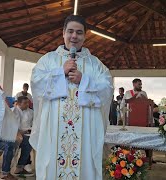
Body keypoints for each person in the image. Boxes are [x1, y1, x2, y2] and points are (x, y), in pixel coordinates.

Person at [29, 14, 113, 179]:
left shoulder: (95, 63)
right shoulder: (48, 60)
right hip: (54, 128)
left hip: (86, 132)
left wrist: (84, 80)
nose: (74, 36)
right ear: (63, 33)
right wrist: (60, 72)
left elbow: (107, 88)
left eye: (79, 32)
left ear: (85, 36)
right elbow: (36, 83)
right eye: (70, 31)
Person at [12, 96, 34, 177]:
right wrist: (23, 132)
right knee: (28, 143)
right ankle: (20, 167)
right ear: (18, 103)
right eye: (25, 103)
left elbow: (34, 124)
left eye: (28, 103)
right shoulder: (14, 111)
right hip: (14, 135)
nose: (27, 105)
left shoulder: (31, 112)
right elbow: (13, 127)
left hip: (27, 133)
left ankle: (22, 166)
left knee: (31, 141)